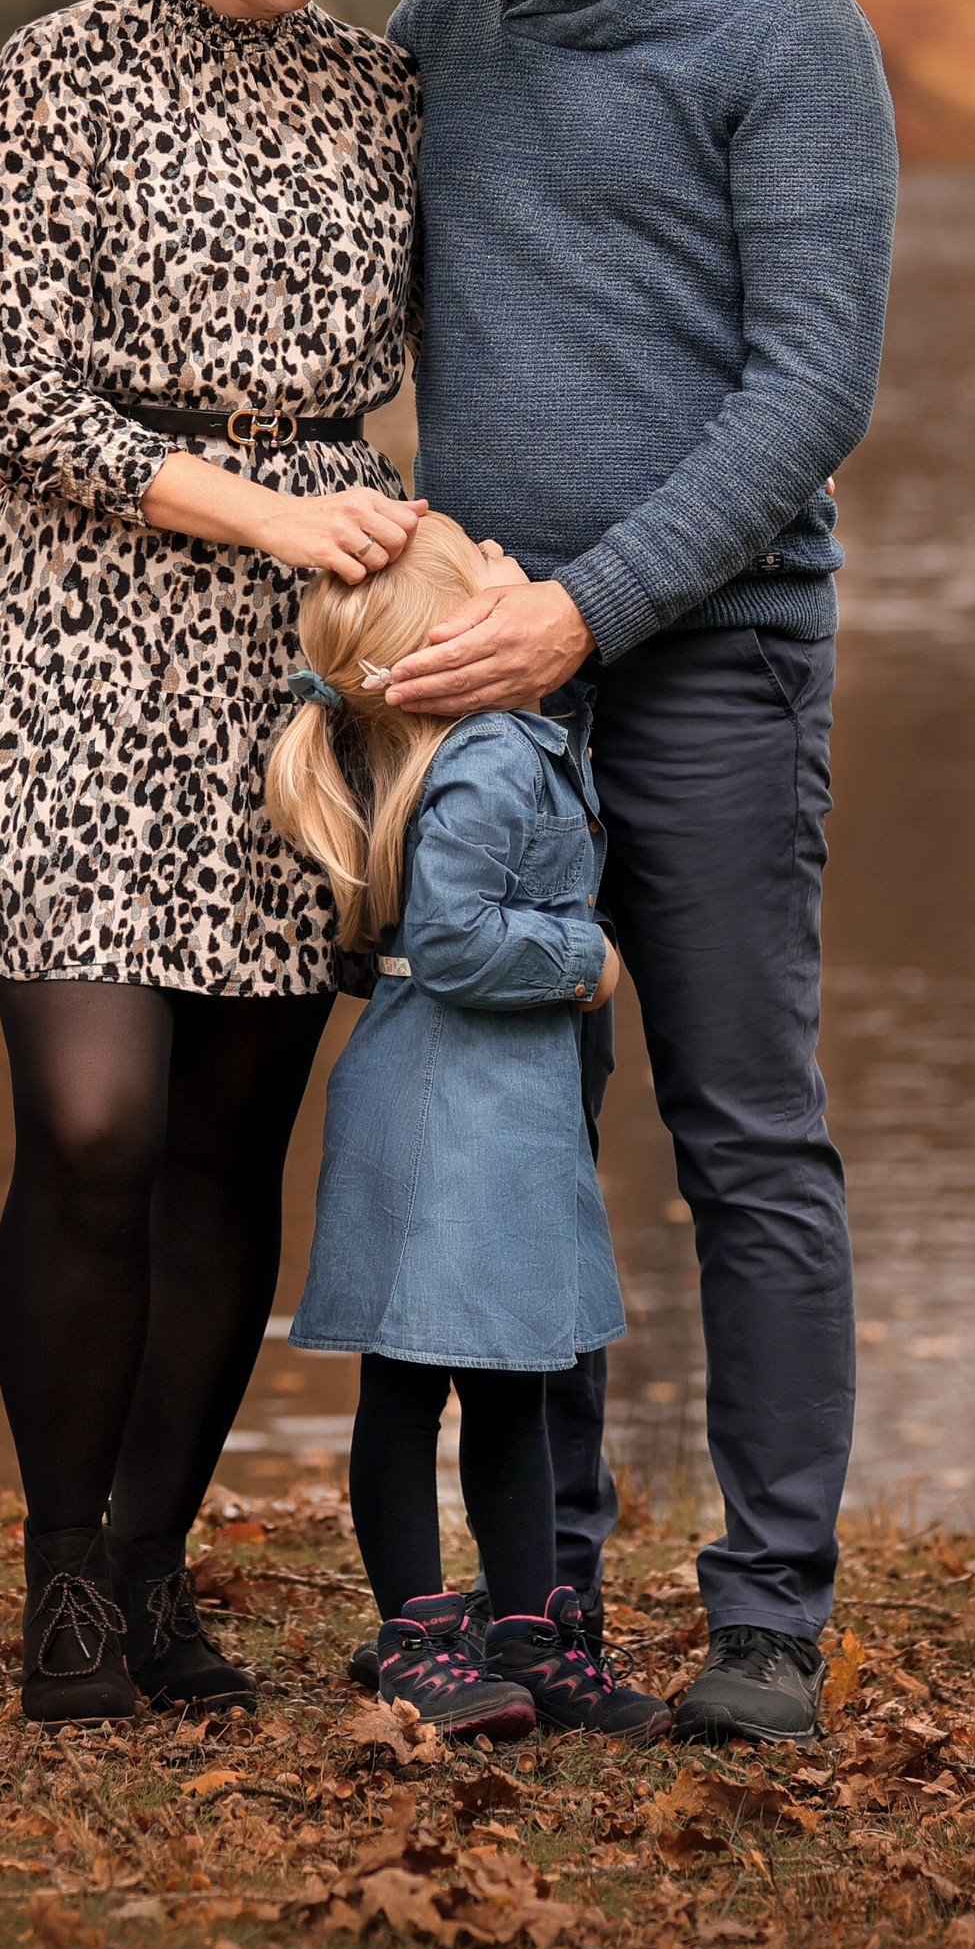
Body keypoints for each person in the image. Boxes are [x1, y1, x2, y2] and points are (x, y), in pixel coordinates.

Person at [379, 0, 897, 1747]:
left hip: (708, 659)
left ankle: (765, 1615)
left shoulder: (790, 32)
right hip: (487, 682)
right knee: (514, 1131)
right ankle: (547, 1594)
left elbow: (810, 394)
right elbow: (340, 255)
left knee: (741, 1128)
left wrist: (586, 612)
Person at [0, 0, 426, 1725]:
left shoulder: (380, 89)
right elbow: (22, 398)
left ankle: (145, 1571)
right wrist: (266, 505)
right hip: (80, 630)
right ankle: (57, 1577)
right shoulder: (60, 69)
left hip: (297, 668)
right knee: (95, 1116)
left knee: (223, 1142)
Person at [267, 514, 673, 1746]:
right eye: (481, 557)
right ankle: (420, 1636)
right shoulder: (490, 752)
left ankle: (524, 1635)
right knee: (429, 1378)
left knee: (500, 1377)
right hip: (453, 1101)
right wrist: (587, 959)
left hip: (481, 1098)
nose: (506, 549)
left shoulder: (475, 739)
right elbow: (452, 938)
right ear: (455, 636)